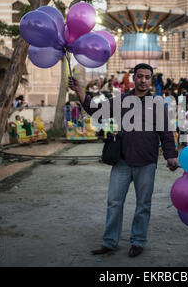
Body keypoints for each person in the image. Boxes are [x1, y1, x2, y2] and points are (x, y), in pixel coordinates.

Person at [68, 63, 179, 258]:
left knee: (143, 204)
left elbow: (166, 133)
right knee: (114, 202)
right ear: (133, 78)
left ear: (150, 80)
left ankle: (138, 241)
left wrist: (171, 156)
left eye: (147, 77)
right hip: (122, 161)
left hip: (147, 162)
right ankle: (110, 242)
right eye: (139, 76)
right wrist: (79, 91)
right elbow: (96, 111)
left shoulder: (158, 104)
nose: (143, 80)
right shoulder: (121, 100)